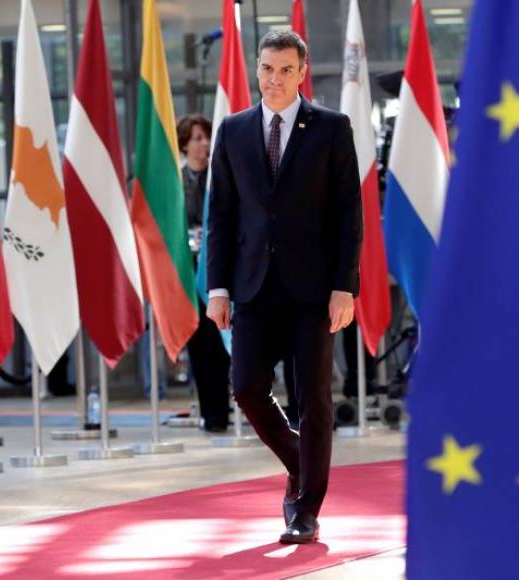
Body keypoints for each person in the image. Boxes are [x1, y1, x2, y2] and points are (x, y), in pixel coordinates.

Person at [207, 30, 362, 544]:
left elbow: (348, 214)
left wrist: (345, 286)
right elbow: (222, 216)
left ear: (302, 72)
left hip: (314, 289)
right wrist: (218, 288)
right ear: (257, 69)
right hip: (252, 285)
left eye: (285, 70)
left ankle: (305, 508)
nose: (274, 79)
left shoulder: (332, 129)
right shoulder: (232, 130)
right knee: (246, 386)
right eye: (267, 68)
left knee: (313, 397)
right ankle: (301, 459)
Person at [178, 114, 231, 433]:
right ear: (185, 143)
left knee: (219, 343)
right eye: (197, 138)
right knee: (198, 346)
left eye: (206, 137)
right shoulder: (176, 183)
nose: (204, 144)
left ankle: (222, 411)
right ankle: (209, 413)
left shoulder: (219, 178)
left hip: (214, 274)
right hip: (188, 273)